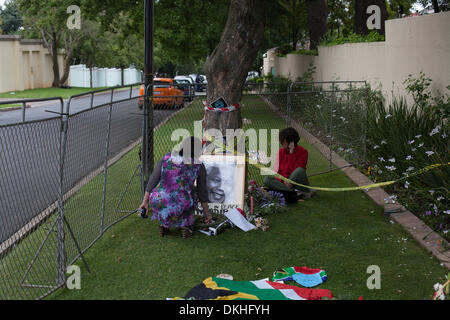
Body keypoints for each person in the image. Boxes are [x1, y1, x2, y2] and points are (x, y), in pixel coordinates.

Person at [138, 137, 212, 238]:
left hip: (158, 199)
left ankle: (164, 224)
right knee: (191, 194)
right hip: (180, 202)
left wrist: (145, 202)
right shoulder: (198, 164)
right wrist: (207, 214)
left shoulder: (167, 157)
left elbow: (153, 181)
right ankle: (186, 227)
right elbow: (202, 192)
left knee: (165, 197)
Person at [263, 127, 315, 199]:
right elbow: (276, 172)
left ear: (291, 142)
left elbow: (296, 171)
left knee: (299, 170)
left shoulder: (303, 152)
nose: (281, 143)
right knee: (267, 179)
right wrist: (283, 180)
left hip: (297, 183)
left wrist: (291, 153)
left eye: (283, 141)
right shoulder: (280, 152)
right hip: (284, 183)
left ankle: (290, 192)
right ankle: (293, 193)